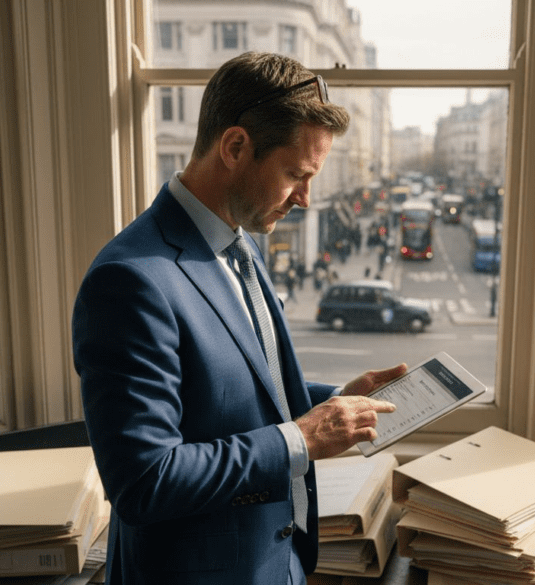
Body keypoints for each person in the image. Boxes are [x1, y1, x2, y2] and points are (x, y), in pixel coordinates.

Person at [72, 52, 406, 585]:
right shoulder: (129, 280)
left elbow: (239, 388)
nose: (306, 198)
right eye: (296, 174)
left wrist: (330, 398)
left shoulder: (241, 241)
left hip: (280, 564)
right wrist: (302, 438)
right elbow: (144, 482)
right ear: (234, 147)